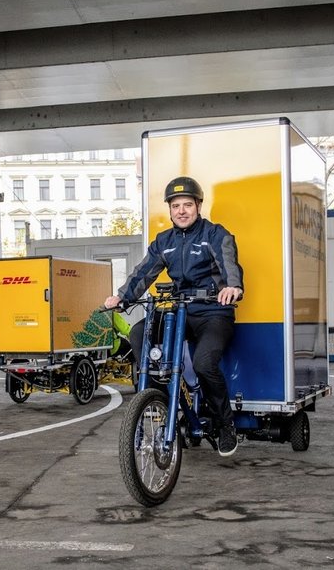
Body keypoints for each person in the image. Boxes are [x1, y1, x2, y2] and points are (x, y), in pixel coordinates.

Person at [104, 176, 244, 457]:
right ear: (169, 209)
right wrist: (122, 297)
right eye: (176, 205)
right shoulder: (163, 242)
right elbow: (143, 273)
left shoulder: (215, 234)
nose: (181, 210)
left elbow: (229, 262)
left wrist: (233, 286)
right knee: (137, 332)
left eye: (187, 205)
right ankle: (159, 398)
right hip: (180, 311)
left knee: (205, 364)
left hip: (213, 312)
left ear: (199, 206)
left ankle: (225, 424)